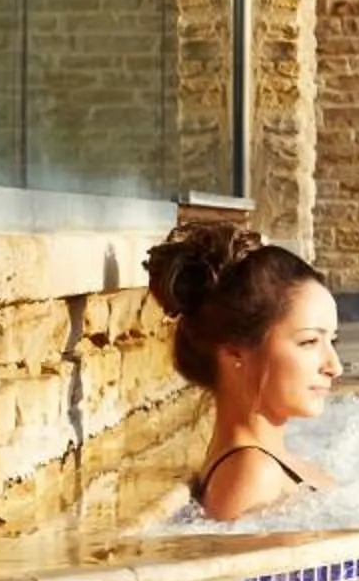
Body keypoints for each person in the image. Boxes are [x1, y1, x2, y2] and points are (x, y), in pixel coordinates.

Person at [143, 221, 343, 521]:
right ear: (235, 351)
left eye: (332, 340)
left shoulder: (268, 462)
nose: (334, 367)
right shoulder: (251, 475)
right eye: (309, 341)